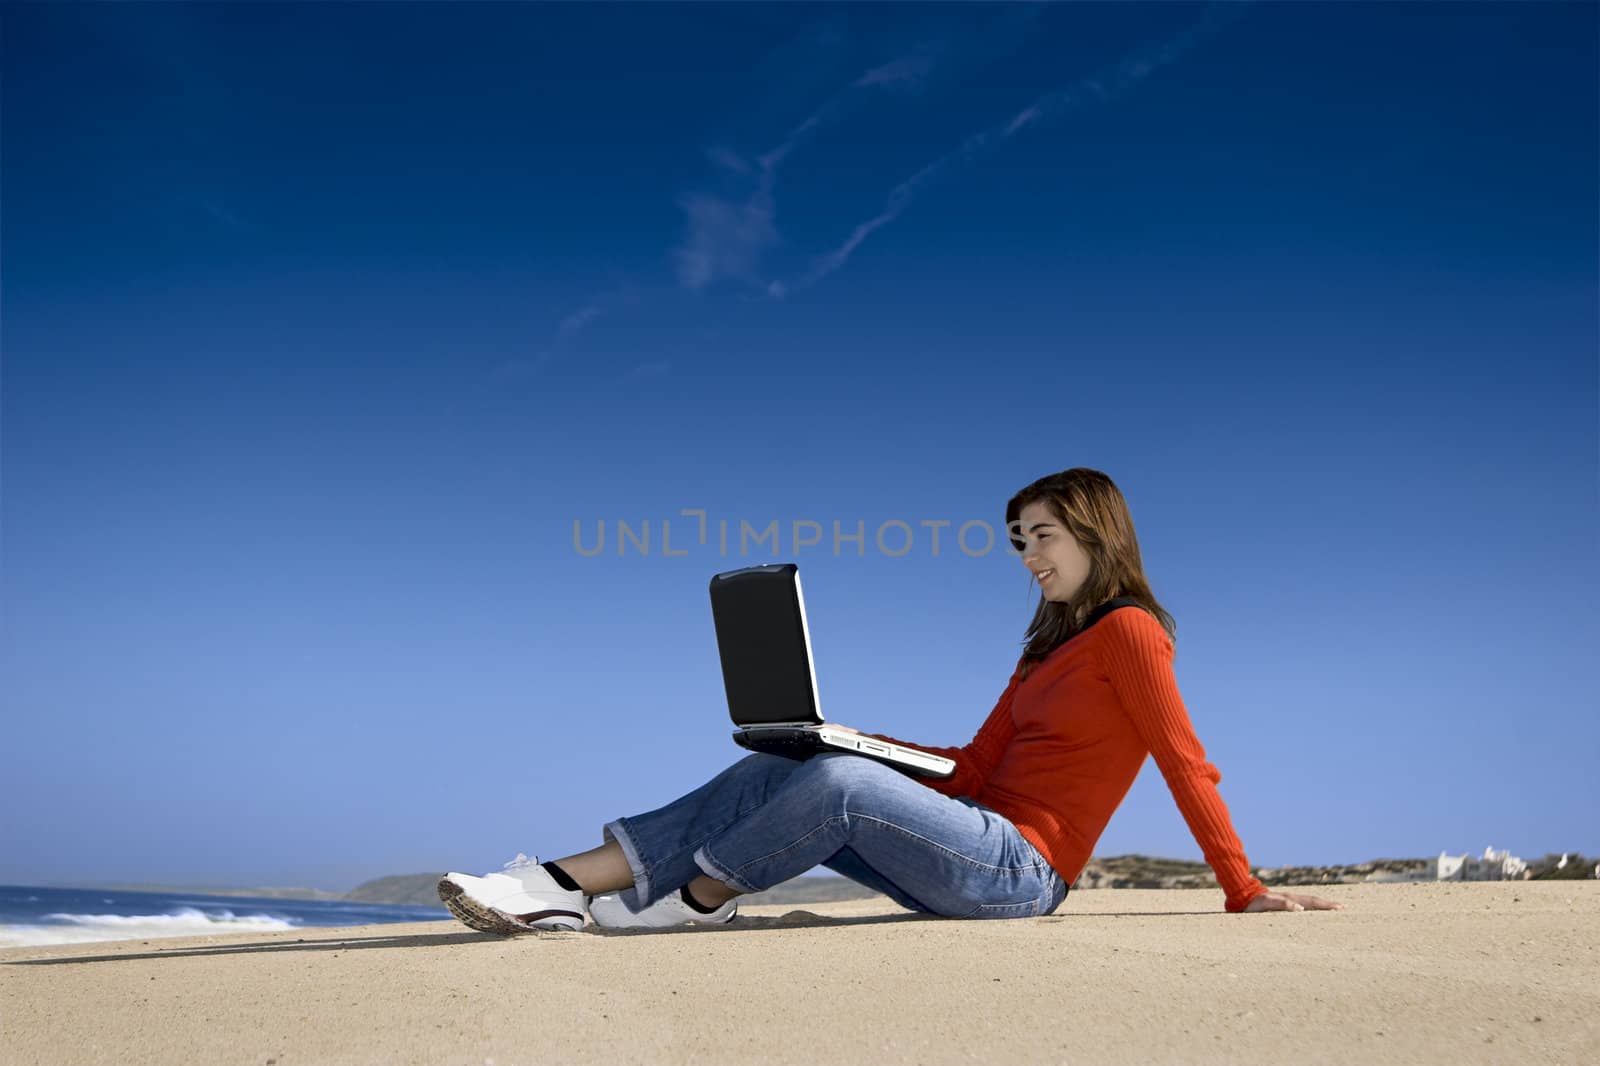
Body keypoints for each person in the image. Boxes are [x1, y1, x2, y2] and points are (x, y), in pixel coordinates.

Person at [439, 467, 1345, 933]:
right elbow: (971, 768)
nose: (1028, 556)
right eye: (1018, 540)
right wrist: (845, 737)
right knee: (787, 761)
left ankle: (683, 898)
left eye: (1042, 536)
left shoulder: (1132, 633)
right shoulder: (1046, 651)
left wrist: (1244, 889)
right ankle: (562, 884)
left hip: (1023, 876)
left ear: (1095, 530)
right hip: (965, 844)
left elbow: (1185, 759)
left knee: (838, 786)